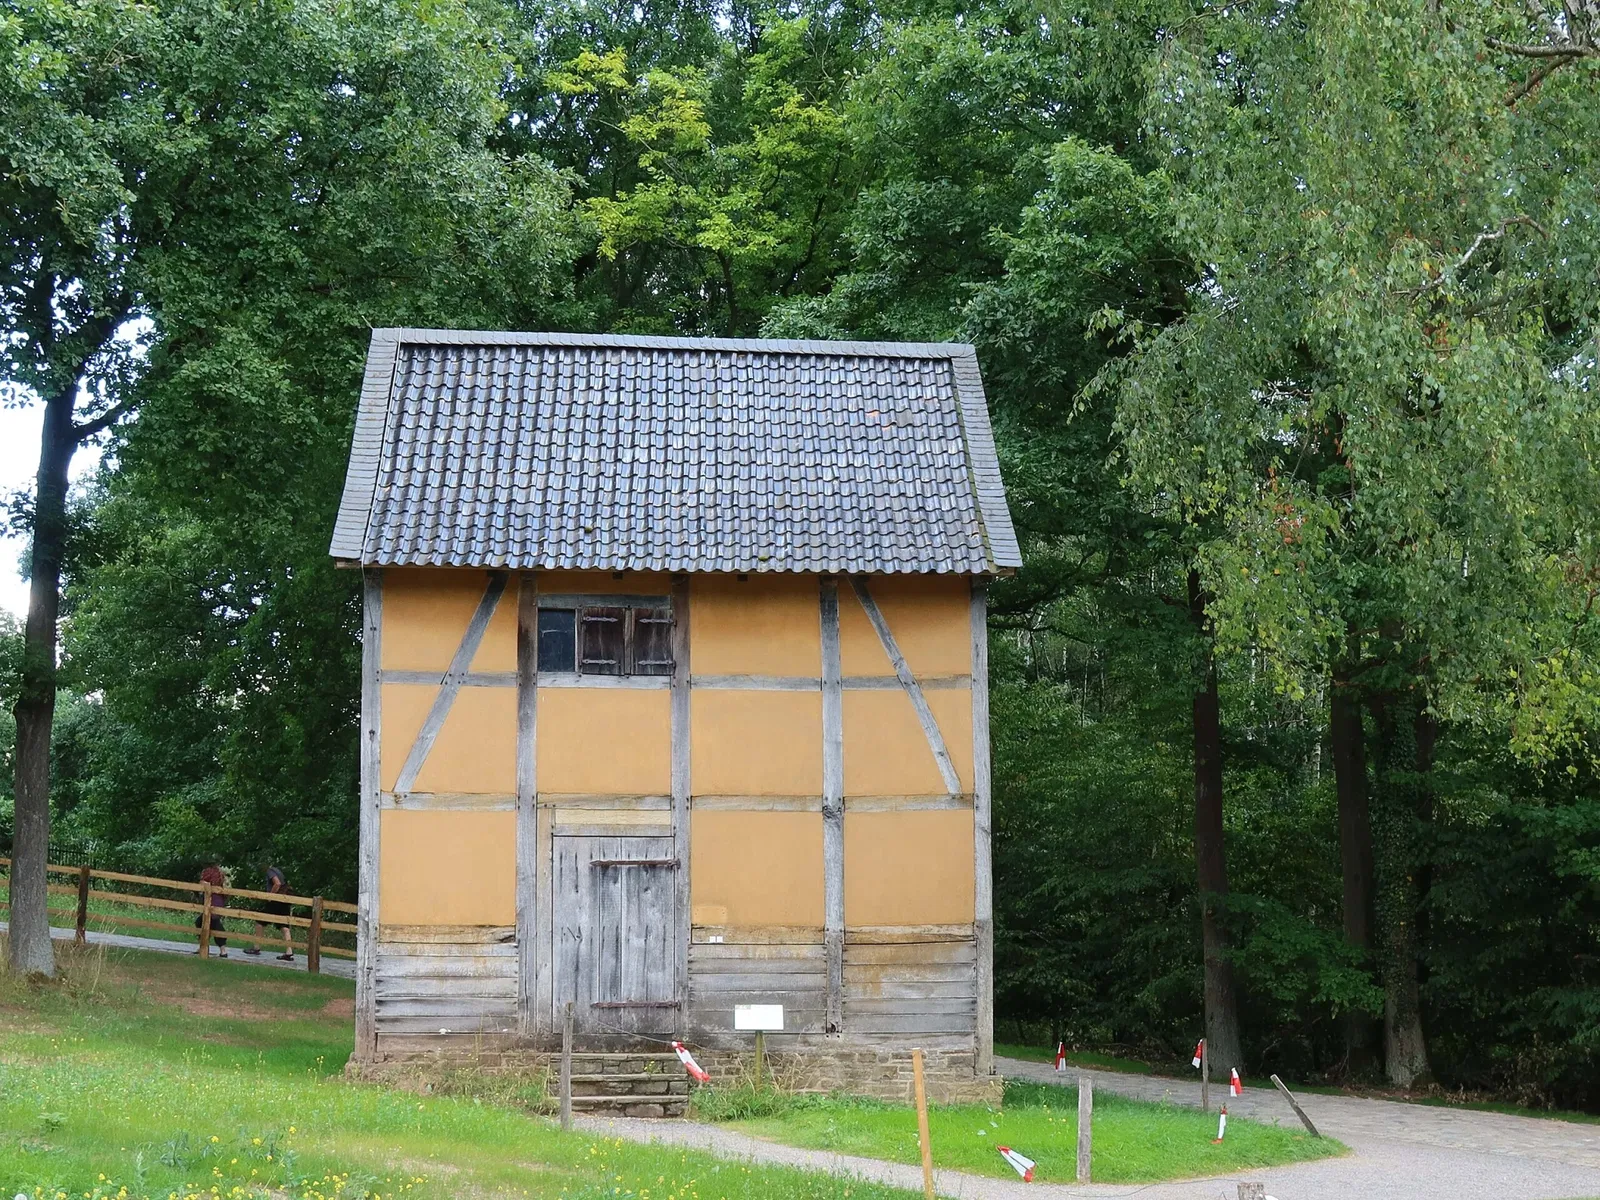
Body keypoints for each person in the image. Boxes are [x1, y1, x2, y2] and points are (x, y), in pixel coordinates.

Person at [244, 865, 295, 962]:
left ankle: (256, 947)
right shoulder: (278, 870)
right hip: (284, 901)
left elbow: (277, 883)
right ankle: (289, 951)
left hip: (276, 901)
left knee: (259, 922)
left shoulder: (270, 871)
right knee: (284, 926)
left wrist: (270, 896)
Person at [195, 861, 229, 957]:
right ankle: (203, 946)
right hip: (217, 900)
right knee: (202, 922)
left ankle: (222, 950)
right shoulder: (220, 872)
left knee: (214, 923)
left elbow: (203, 883)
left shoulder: (210, 872)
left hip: (213, 900)